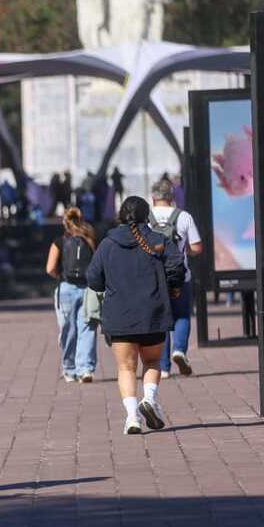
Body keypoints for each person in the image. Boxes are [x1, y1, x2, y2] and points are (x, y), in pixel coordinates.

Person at [87, 196, 185, 434]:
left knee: (126, 368)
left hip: (119, 315)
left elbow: (93, 278)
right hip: (153, 312)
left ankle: (132, 416)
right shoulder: (158, 240)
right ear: (146, 216)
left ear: (121, 216)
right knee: (151, 361)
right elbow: (176, 265)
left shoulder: (108, 243)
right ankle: (149, 400)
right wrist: (172, 285)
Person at [149, 178, 202, 378]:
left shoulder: (147, 218)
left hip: (154, 278)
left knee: (160, 320)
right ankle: (179, 350)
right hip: (181, 276)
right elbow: (198, 247)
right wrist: (183, 251)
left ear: (153, 199)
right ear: (171, 198)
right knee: (181, 315)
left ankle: (163, 367)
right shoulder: (184, 216)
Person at [45, 208, 98, 382]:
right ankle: (86, 369)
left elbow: (50, 268)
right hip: (87, 289)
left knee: (68, 330)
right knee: (87, 328)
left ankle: (69, 369)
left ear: (65, 222)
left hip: (66, 288)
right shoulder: (89, 240)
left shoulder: (59, 241)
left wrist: (60, 276)